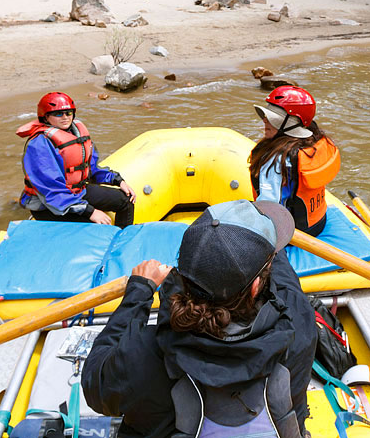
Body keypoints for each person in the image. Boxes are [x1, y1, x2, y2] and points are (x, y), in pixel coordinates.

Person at [82, 199, 317, 437]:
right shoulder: (298, 322)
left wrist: (139, 291)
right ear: (256, 286)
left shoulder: (144, 352)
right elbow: (284, 283)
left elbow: (95, 387)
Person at [17, 92, 135, 227]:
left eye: (68, 113)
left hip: (78, 192)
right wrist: (89, 211)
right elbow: (51, 189)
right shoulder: (39, 144)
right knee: (97, 226)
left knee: (125, 200)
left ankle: (122, 241)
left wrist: (117, 180)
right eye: (58, 114)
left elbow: (92, 168)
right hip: (49, 205)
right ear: (46, 116)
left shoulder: (76, 133)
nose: (65, 117)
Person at [250, 86, 340, 237]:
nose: (264, 120)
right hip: (317, 223)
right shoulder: (315, 142)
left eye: (273, 118)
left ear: (292, 122)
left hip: (292, 233)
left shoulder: (276, 158)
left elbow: (268, 206)